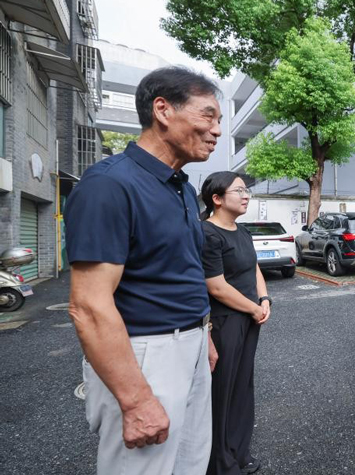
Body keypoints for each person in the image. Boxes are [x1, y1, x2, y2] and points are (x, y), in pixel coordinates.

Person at [65, 66, 222, 474]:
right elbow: (89, 306)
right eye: (208, 115)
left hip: (188, 345)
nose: (217, 130)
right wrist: (135, 400)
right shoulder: (109, 184)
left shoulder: (183, 188)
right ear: (163, 110)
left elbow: (180, 270)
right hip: (143, 352)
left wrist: (199, 333)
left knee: (189, 464)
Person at [200, 172, 271, 475]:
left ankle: (240, 453)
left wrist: (265, 299)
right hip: (225, 321)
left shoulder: (241, 231)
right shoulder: (207, 233)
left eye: (246, 191)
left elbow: (253, 266)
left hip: (248, 318)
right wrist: (254, 309)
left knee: (243, 387)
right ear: (217, 198)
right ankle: (220, 462)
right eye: (239, 190)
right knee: (222, 392)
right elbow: (215, 287)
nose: (246, 195)